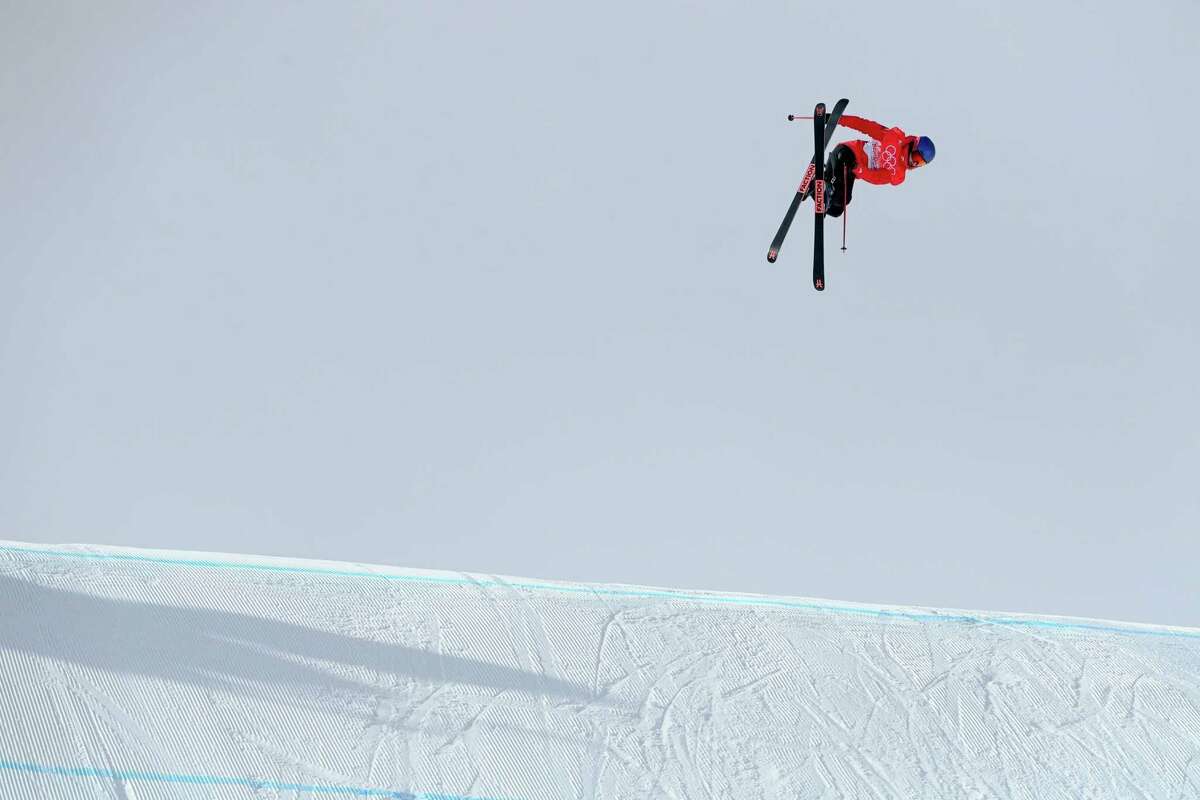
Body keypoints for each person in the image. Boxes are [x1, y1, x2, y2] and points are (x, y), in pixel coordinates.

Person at [823, 115, 935, 218]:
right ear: (913, 146)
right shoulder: (895, 138)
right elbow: (865, 126)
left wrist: (858, 168)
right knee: (835, 190)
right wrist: (838, 119)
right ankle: (826, 180)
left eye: (919, 163)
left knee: (838, 207)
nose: (914, 163)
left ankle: (816, 190)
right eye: (916, 158)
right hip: (847, 153)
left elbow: (875, 177)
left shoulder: (898, 174)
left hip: (852, 170)